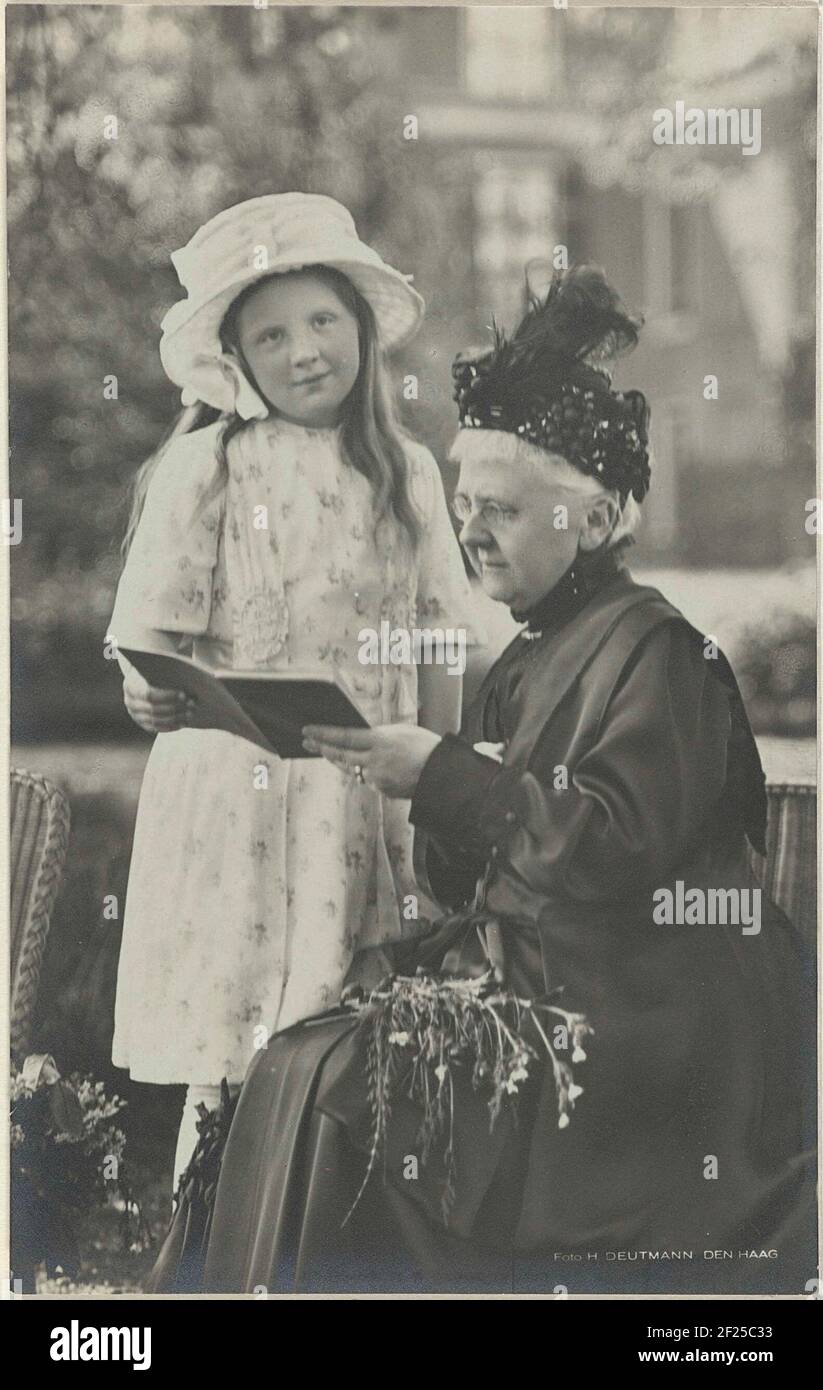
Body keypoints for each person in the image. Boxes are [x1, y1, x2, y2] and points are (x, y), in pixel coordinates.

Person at [150, 266, 815, 1296]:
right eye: (464, 506)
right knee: (303, 1049)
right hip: (559, 984)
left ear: (592, 524)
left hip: (650, 1031)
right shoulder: (537, 647)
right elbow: (484, 863)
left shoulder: (661, 651)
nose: (472, 532)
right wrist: (434, 785)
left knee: (337, 1083)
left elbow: (607, 849)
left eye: (502, 510)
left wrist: (451, 776)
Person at [107, 193, 481, 1194]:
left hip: (364, 795)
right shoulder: (208, 466)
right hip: (236, 796)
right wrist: (149, 695)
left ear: (360, 326)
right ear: (233, 357)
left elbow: (445, 634)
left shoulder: (403, 471)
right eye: (270, 334)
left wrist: (438, 775)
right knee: (233, 1040)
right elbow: (150, 637)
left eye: (322, 321)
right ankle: (211, 1234)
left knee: (350, 1029)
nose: (304, 350)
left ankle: (333, 1232)